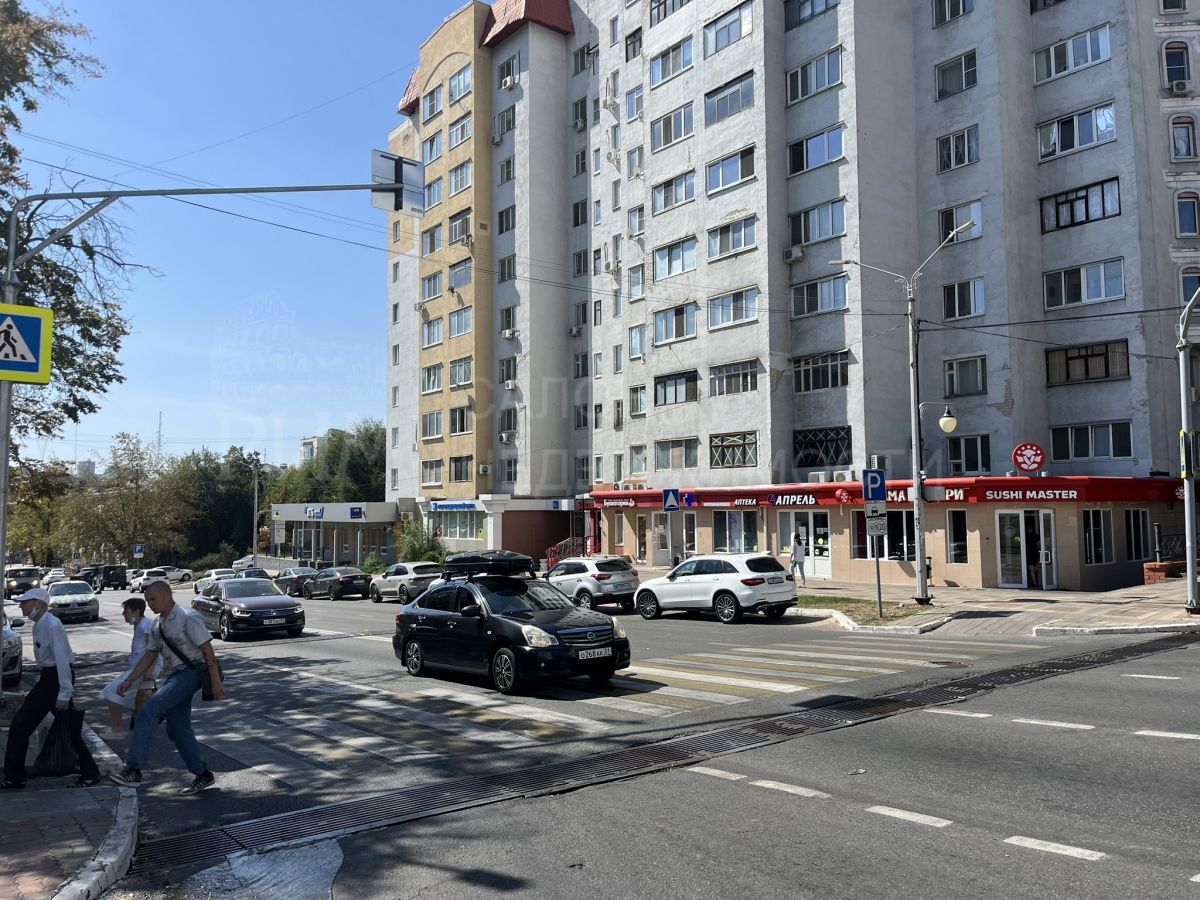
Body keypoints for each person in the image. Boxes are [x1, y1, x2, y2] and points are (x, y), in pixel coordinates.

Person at [109, 581, 223, 795]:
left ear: (167, 596)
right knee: (178, 729)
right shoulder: (157, 624)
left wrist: (215, 681)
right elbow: (149, 655)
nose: (150, 604)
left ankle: (133, 769)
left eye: (153, 599)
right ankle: (203, 774)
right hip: (174, 676)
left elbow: (208, 650)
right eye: (147, 601)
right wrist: (130, 680)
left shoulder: (188, 617)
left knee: (150, 709)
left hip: (192, 672)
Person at [1, 588, 102, 789]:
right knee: (27, 725)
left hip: (56, 679)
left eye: (25, 602)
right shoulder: (40, 624)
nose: (21, 606)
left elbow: (63, 659)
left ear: (38, 604)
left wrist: (64, 693)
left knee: (50, 725)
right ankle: (15, 776)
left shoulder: (52, 625)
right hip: (49, 678)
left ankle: (90, 773)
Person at [101, 597, 160, 732]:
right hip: (140, 669)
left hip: (144, 670)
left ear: (136, 612)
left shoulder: (146, 625)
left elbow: (154, 650)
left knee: (111, 691)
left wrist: (149, 671)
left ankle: (117, 729)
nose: (124, 615)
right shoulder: (139, 625)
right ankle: (141, 734)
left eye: (126, 611)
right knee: (137, 704)